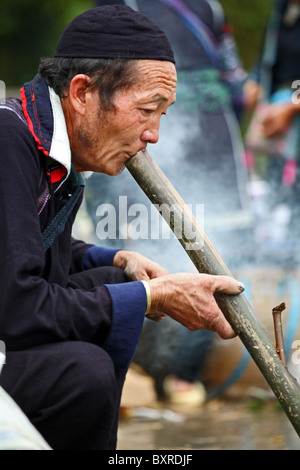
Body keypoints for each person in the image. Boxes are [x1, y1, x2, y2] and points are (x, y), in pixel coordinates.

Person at [0, 5, 245, 450]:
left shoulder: (56, 147)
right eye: (147, 110)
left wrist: (114, 258)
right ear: (81, 93)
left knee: (115, 280)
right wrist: (155, 296)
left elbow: (24, 246)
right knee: (81, 373)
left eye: (162, 116)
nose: (153, 136)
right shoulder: (7, 139)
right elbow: (18, 308)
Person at [91, 0, 252, 404]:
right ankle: (154, 369)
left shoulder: (210, 8)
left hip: (203, 138)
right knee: (142, 250)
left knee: (214, 252)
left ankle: (184, 375)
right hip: (150, 136)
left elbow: (234, 82)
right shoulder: (122, 5)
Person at [244, 0, 300, 253]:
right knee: (276, 186)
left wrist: (292, 106)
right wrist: (253, 84)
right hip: (278, 111)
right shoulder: (281, 10)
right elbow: (268, 59)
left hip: (290, 107)